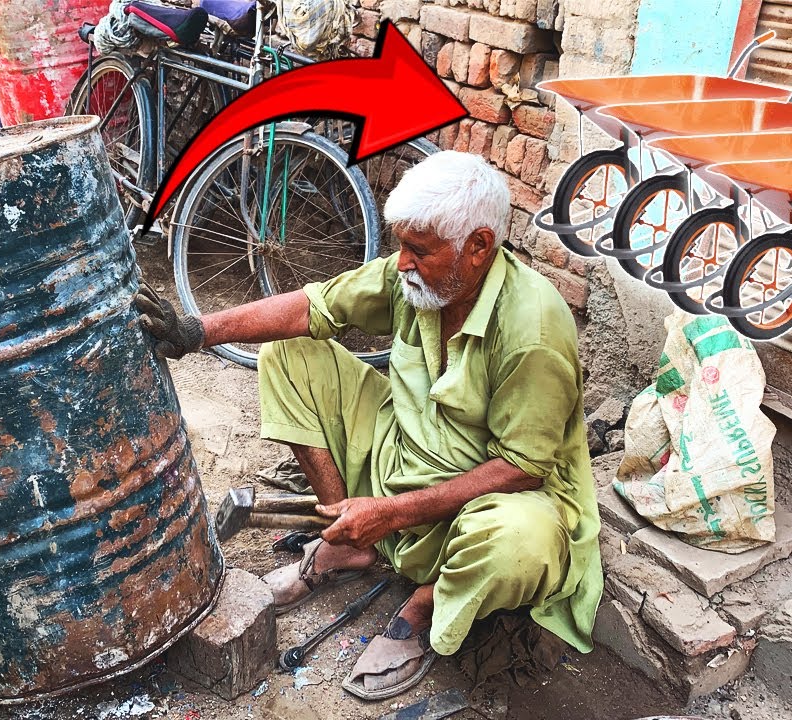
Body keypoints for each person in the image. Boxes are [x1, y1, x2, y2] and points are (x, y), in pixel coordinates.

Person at [135, 150, 602, 701]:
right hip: (399, 450)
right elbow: (313, 308)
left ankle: (424, 605)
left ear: (478, 247)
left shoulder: (534, 327)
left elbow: (524, 467)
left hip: (481, 498)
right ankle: (349, 538)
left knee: (521, 543)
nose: (402, 263)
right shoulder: (420, 279)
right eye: (401, 245)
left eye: (418, 250)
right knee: (288, 356)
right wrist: (197, 330)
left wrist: (394, 512)